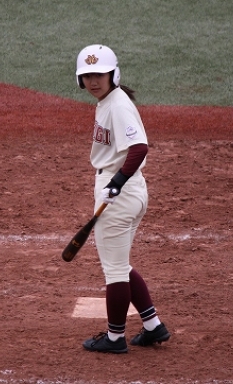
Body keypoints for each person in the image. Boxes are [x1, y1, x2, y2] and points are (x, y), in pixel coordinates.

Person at [73, 44, 170, 353]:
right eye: (87, 76)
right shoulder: (110, 102)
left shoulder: (117, 105)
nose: (93, 81)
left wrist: (116, 183)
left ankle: (115, 338)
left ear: (113, 74)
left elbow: (139, 148)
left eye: (99, 75)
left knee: (114, 271)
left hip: (120, 192)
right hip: (129, 190)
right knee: (120, 265)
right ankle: (153, 326)